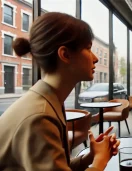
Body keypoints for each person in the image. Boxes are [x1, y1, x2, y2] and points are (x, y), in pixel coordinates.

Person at [0, 12, 120, 171]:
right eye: (88, 48)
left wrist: (90, 157)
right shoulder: (40, 117)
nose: (95, 58)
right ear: (65, 54)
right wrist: (100, 161)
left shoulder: (49, 101)